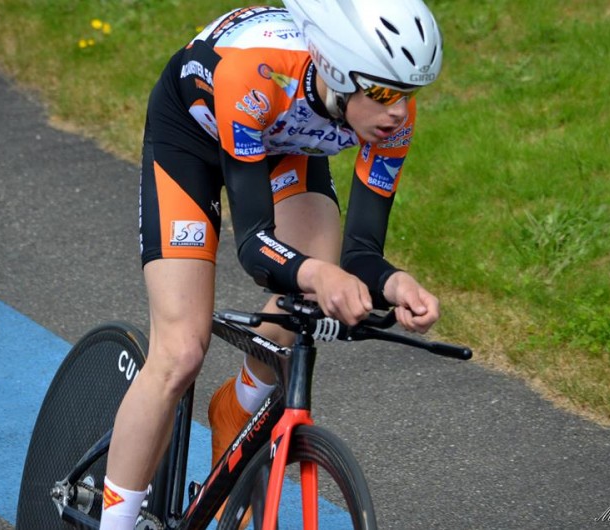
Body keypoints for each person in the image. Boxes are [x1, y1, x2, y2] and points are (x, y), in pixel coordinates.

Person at [99, 1, 444, 528]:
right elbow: (254, 245)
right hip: (194, 134)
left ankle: (240, 403)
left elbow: (360, 256)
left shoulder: (389, 117)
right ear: (337, 72)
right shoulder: (256, 70)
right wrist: (318, 274)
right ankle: (115, 523)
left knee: (317, 274)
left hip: (284, 139)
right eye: (382, 92)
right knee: (181, 351)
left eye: (408, 92)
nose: (398, 111)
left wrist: (394, 284)